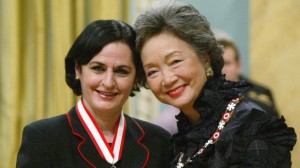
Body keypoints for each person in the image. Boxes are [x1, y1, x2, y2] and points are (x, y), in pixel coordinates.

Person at [134, 1, 297, 167]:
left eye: (175, 61)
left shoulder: (249, 128)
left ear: (205, 57)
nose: (167, 79)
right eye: (152, 71)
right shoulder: (182, 135)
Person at [16, 20, 170, 168]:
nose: (109, 82)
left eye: (121, 71)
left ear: (136, 78)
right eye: (98, 68)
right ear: (77, 68)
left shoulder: (158, 141)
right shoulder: (43, 138)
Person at [217, 36, 279, 117]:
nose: (221, 69)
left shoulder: (260, 94)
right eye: (217, 64)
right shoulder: (203, 94)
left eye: (227, 63)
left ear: (238, 66)